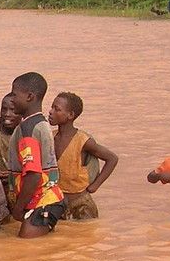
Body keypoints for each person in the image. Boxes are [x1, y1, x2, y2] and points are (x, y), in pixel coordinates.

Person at [8, 72, 65, 238]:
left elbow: (33, 174)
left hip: (43, 201)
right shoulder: (38, 123)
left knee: (25, 248)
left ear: (29, 97)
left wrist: (18, 208)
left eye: (14, 94)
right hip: (45, 199)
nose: (11, 99)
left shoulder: (29, 129)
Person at [47, 92, 119, 220]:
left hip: (80, 204)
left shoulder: (83, 140)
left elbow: (112, 159)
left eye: (57, 109)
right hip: (57, 204)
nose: (50, 112)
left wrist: (95, 186)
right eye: (52, 107)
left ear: (70, 115)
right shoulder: (50, 137)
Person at [0, 93, 22, 210]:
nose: (7, 114)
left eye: (13, 111)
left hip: (16, 184)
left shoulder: (26, 132)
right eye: (4, 109)